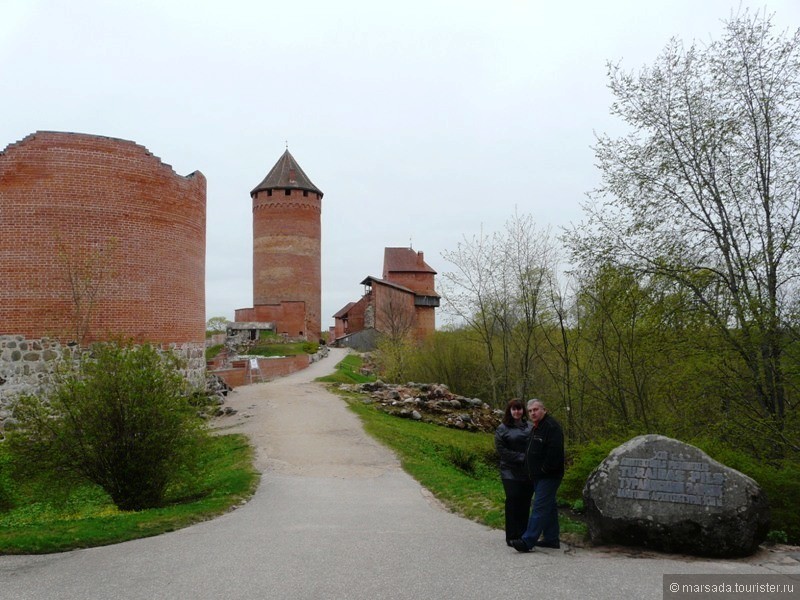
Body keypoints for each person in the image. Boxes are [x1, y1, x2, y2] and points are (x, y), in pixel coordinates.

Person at [511, 399, 565, 552]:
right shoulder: (536, 427)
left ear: (544, 410)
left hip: (549, 476)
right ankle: (551, 538)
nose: (533, 413)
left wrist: (543, 470)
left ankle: (527, 541)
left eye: (536, 409)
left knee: (539, 506)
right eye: (530, 411)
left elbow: (554, 454)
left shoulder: (551, 427)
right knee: (549, 506)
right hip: (537, 476)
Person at [494, 398, 534, 546]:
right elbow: (501, 450)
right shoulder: (502, 428)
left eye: (519, 409)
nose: (517, 412)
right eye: (514, 409)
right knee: (513, 500)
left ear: (523, 410)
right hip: (509, 470)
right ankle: (511, 535)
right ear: (509, 411)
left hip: (527, 471)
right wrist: (521, 457)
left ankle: (523, 534)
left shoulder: (530, 427)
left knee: (525, 501)